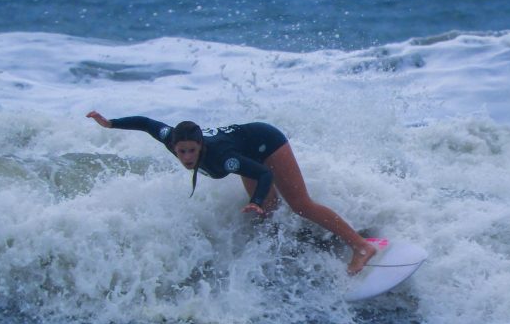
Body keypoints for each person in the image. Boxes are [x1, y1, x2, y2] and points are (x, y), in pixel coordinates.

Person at [86, 111, 376, 274]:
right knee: (267, 215)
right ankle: (302, 246)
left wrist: (255, 200)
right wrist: (110, 124)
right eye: (182, 151)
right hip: (245, 148)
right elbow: (146, 123)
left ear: (201, 145)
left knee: (299, 203)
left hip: (265, 141)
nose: (187, 157)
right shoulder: (170, 137)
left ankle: (361, 245)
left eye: (191, 151)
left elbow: (264, 173)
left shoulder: (222, 158)